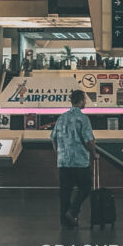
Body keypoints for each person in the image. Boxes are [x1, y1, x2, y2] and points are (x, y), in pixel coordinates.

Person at [50, 89, 98, 229]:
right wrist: (94, 154)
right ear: (81, 100)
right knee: (86, 187)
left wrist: (59, 154)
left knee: (65, 193)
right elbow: (88, 140)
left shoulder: (61, 117)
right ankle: (73, 212)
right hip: (79, 162)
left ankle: (65, 223)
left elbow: (53, 139)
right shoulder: (83, 118)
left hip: (63, 163)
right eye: (85, 99)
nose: (86, 102)